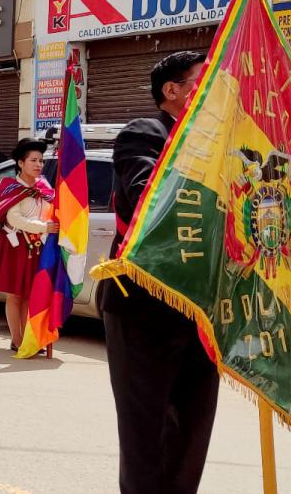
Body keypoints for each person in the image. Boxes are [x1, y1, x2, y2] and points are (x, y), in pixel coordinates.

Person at [99, 50, 218, 493]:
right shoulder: (143, 134)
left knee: (192, 431)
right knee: (145, 432)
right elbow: (146, 197)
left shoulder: (218, 144)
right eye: (203, 82)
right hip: (142, 305)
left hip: (200, 305)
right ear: (173, 91)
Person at [0, 138, 58, 351]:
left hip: (37, 248)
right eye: (33, 160)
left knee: (30, 294)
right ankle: (16, 339)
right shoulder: (10, 187)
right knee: (14, 295)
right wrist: (44, 228)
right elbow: (13, 219)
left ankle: (29, 337)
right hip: (15, 247)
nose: (38, 165)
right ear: (20, 163)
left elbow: (49, 211)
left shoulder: (45, 187)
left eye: (41, 161)